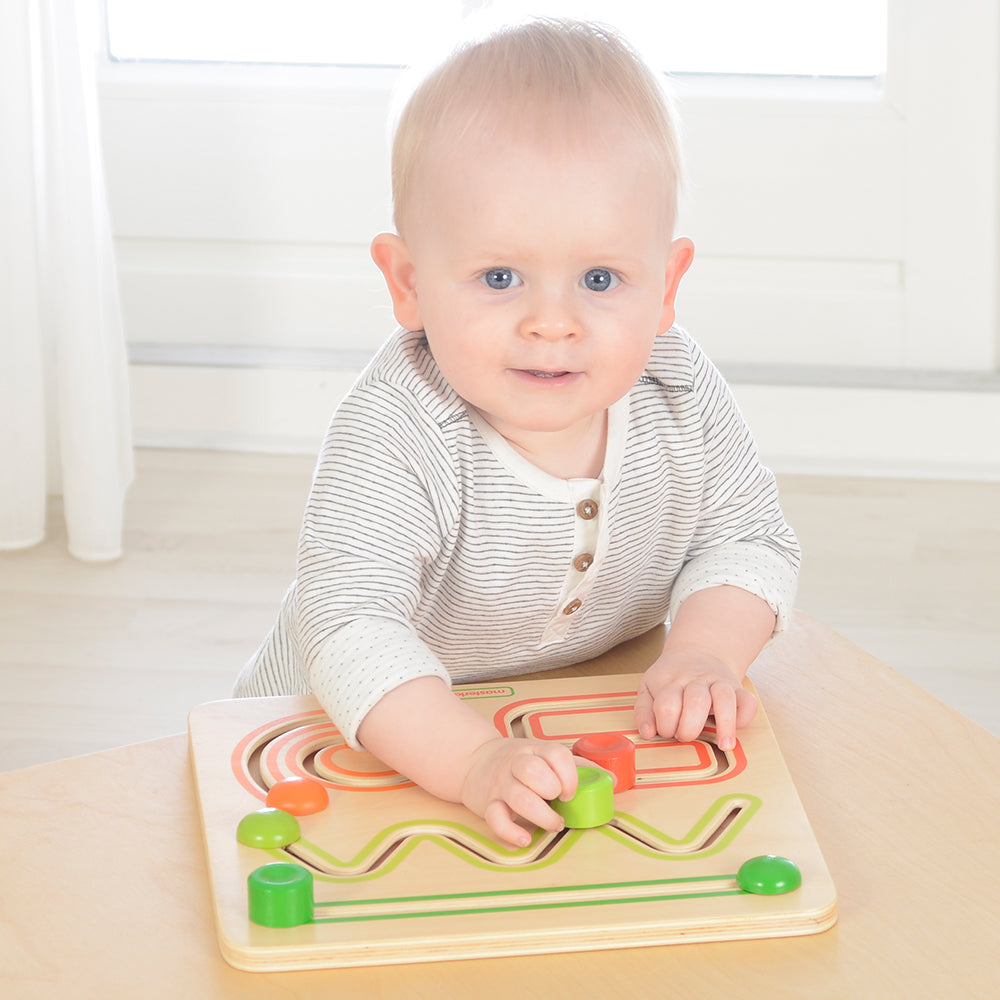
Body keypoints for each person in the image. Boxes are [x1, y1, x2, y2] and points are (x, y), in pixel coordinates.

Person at [235, 17, 800, 848]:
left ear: (668, 284)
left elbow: (748, 540)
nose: (552, 323)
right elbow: (350, 627)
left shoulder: (679, 390)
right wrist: (468, 761)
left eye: (601, 278)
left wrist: (705, 653)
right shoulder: (398, 428)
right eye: (500, 277)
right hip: (349, 735)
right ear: (410, 283)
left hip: (570, 711)